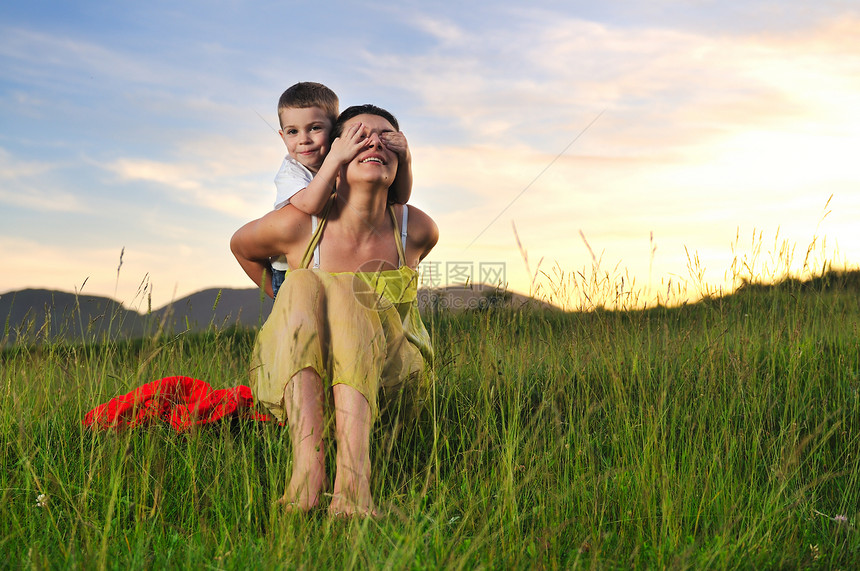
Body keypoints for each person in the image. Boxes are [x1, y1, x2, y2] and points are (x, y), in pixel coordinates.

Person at [231, 105, 438, 517]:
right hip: (305, 382)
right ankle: (308, 473)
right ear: (335, 157)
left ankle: (353, 484)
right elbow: (241, 245)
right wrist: (282, 298)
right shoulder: (298, 225)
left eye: (387, 139)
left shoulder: (415, 228)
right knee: (303, 282)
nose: (375, 142)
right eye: (361, 136)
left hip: (390, 381)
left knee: (344, 288)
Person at [267, 82, 413, 298]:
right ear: (282, 136)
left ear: (334, 129)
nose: (304, 140)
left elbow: (400, 197)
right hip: (289, 267)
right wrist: (272, 291)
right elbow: (312, 205)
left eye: (315, 128)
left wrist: (406, 158)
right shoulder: (292, 171)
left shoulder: (346, 157)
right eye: (292, 132)